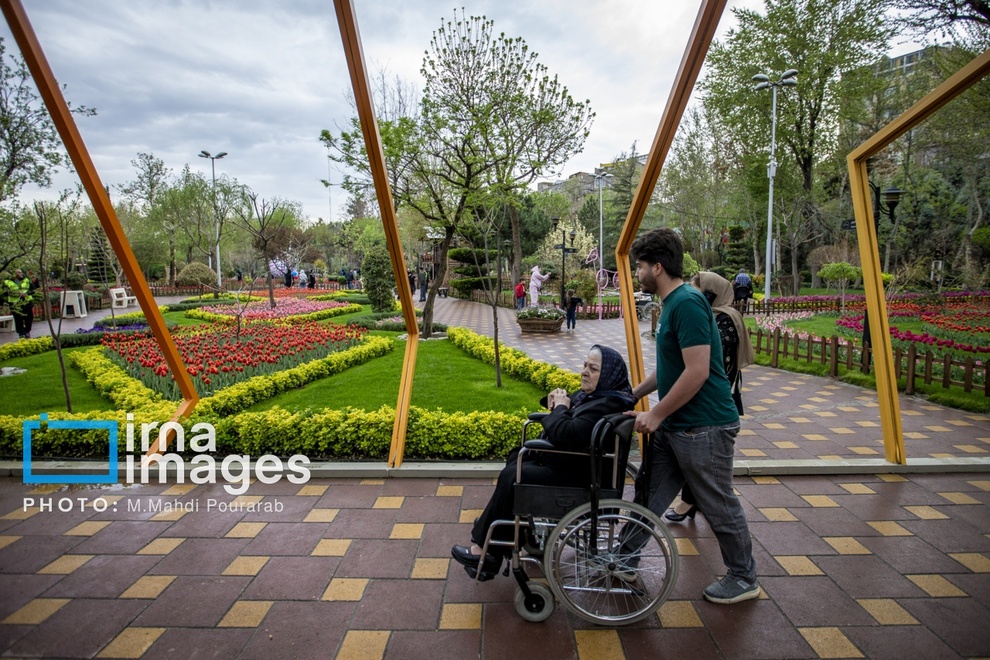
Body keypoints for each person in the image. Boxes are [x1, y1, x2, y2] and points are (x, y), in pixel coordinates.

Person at [624, 228, 759, 604]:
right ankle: (622, 560)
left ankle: (743, 577)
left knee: (718, 503)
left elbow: (697, 371)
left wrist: (656, 413)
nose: (637, 273)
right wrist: (633, 394)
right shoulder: (672, 304)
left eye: (639, 266)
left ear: (657, 267)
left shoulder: (686, 303)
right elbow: (672, 367)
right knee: (649, 494)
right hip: (679, 424)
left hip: (706, 427)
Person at [451, 345, 636, 581]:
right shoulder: (596, 396)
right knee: (516, 457)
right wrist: (556, 400)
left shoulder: (607, 404)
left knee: (514, 475)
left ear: (608, 374)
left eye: (593, 368)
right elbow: (567, 413)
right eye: (584, 366)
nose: (584, 372)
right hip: (572, 465)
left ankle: (486, 549)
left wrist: (561, 407)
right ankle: (504, 537)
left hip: (580, 478)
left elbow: (566, 433)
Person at [666, 272, 755, 523]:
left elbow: (712, 363)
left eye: (698, 289)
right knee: (703, 461)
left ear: (712, 293)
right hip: (703, 397)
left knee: (706, 461)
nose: (692, 293)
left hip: (712, 400)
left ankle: (693, 502)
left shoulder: (726, 320)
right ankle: (699, 501)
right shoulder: (710, 315)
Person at [6, 268, 33, 340]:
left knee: (29, 318)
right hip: (15, 303)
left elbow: (33, 289)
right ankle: (21, 333)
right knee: (18, 319)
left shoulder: (26, 280)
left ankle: (27, 331)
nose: (21, 273)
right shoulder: (7, 282)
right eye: (19, 272)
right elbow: (4, 292)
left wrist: (26, 294)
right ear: (14, 274)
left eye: (21, 272)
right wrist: (17, 293)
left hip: (27, 302)